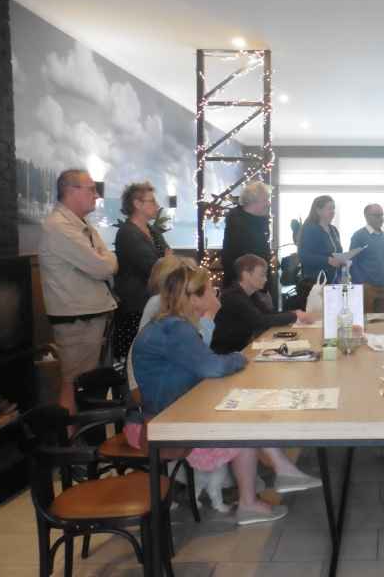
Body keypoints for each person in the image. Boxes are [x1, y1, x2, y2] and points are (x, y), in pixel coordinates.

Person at [130, 264, 321, 525]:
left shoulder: (169, 325)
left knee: (244, 408)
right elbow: (212, 366)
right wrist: (238, 359)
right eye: (210, 290)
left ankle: (280, 472)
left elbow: (202, 363)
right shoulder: (175, 329)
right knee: (241, 422)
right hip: (163, 423)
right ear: (194, 298)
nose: (215, 294)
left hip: (170, 411)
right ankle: (253, 500)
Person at [38, 168, 117, 416]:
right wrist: (107, 260)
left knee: (85, 383)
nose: (96, 195)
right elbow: (103, 267)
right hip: (76, 318)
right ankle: (71, 436)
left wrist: (106, 260)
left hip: (87, 314)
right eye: (91, 189)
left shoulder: (82, 225)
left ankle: (83, 432)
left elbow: (107, 259)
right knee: (73, 384)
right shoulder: (59, 227)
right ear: (70, 190)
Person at [113, 182, 171, 361]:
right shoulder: (128, 233)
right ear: (137, 204)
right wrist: (166, 262)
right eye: (152, 201)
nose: (157, 206)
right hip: (135, 306)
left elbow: (169, 258)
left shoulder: (152, 230)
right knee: (136, 358)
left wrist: (166, 262)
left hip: (154, 302)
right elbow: (153, 267)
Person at [212, 254, 315, 354]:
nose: (265, 279)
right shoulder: (233, 297)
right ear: (246, 275)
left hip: (242, 348)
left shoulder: (251, 294)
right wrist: (294, 316)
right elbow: (260, 321)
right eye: (262, 275)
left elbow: (269, 313)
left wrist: (294, 313)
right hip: (228, 353)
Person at [220, 181, 271, 287]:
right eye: (265, 200)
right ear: (253, 202)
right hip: (245, 288)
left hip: (255, 286)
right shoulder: (238, 226)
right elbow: (235, 263)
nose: (268, 203)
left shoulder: (256, 222)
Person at [297, 195, 344, 299]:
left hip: (334, 282)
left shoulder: (334, 230)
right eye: (329, 208)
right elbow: (303, 256)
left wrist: (343, 260)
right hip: (316, 283)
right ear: (318, 210)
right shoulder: (310, 229)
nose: (333, 211)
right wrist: (328, 260)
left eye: (333, 208)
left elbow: (338, 252)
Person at [349, 203, 384, 313]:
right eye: (377, 215)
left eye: (382, 215)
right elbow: (352, 262)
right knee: (365, 321)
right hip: (366, 288)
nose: (381, 218)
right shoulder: (358, 236)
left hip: (383, 287)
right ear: (367, 216)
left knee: (382, 322)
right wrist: (361, 284)